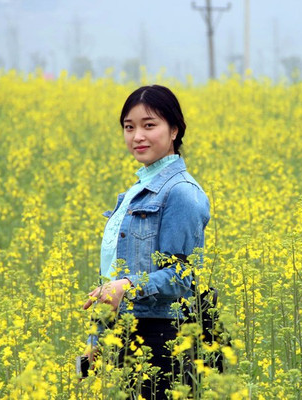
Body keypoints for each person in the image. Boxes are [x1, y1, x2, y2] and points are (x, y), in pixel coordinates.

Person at [82, 85, 210, 398]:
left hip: (163, 337)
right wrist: (98, 338)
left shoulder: (181, 192)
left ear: (174, 130)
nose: (137, 136)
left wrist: (127, 286)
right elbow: (115, 272)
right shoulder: (136, 191)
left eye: (149, 125)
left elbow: (185, 275)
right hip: (127, 331)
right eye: (129, 127)